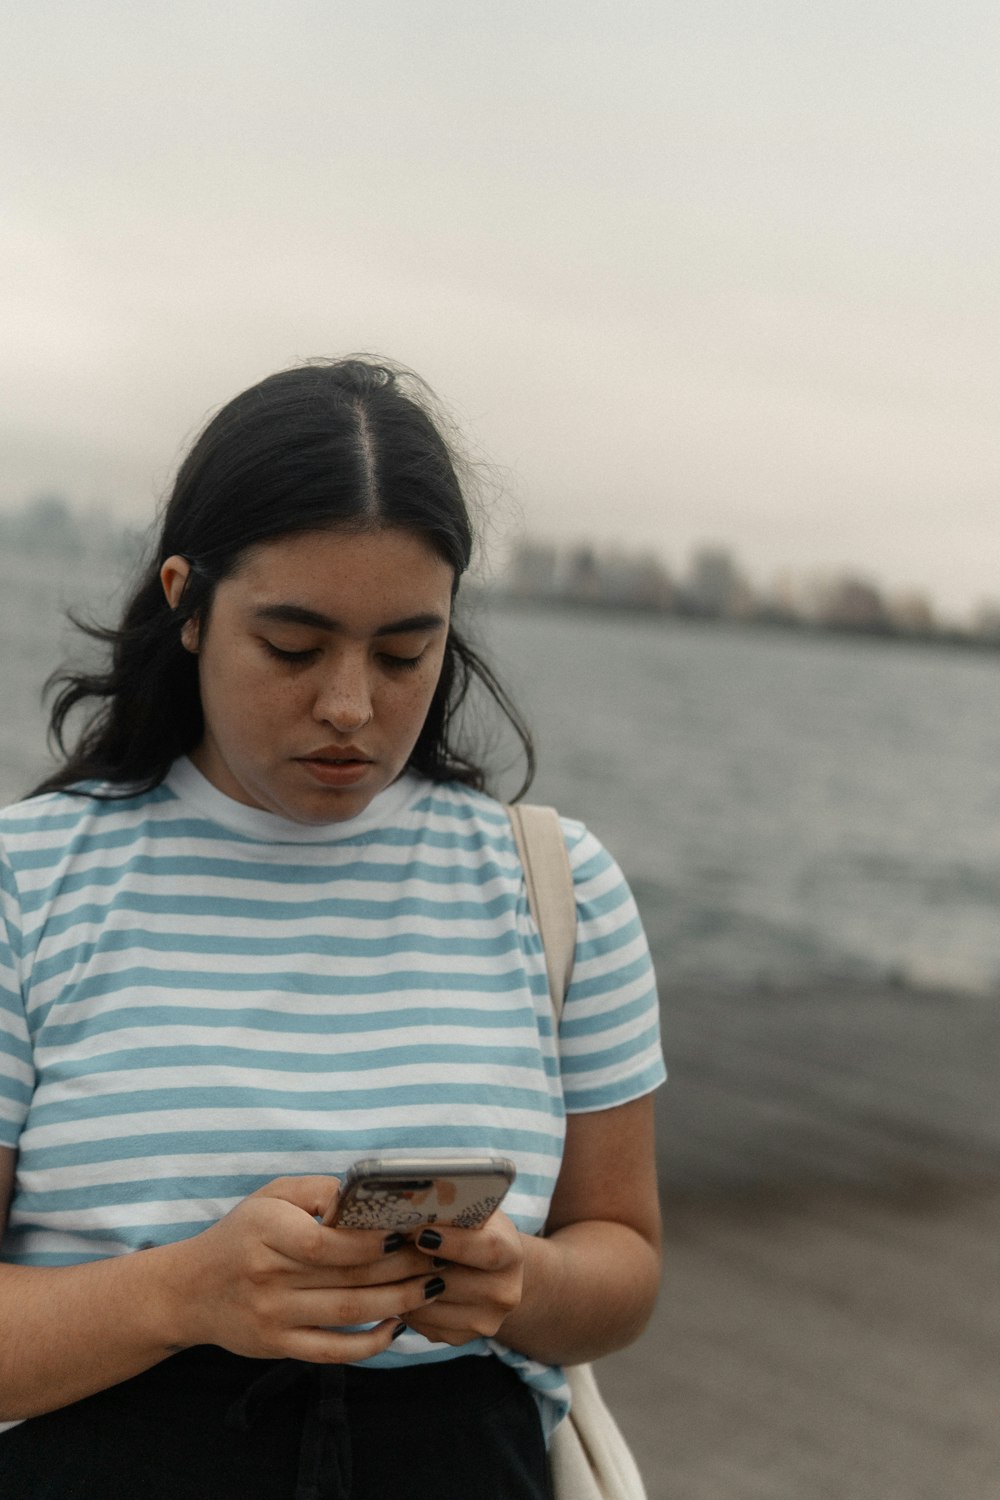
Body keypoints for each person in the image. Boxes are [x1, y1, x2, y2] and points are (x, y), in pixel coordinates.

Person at [0, 357, 665, 1500]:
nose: (351, 706)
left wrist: (518, 1283)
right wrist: (184, 1293)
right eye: (293, 647)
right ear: (187, 603)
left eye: (406, 653)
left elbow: (623, 1261)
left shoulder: (554, 882)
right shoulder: (27, 884)